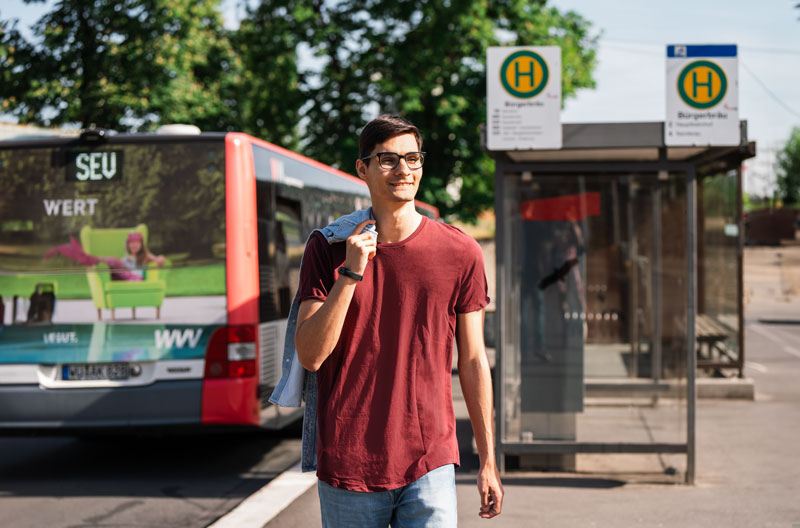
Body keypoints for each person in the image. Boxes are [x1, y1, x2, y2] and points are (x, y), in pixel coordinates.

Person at [293, 114, 503, 526]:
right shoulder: (328, 247)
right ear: (363, 168)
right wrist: (351, 273)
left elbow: (474, 360)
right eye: (387, 159)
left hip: (431, 460)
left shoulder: (460, 252)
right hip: (348, 464)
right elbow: (310, 355)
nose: (403, 170)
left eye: (412, 158)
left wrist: (489, 460)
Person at [44, 231, 165, 281]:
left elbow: (160, 260)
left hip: (134, 278)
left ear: (141, 245)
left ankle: (85, 258)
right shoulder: (126, 258)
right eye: (131, 244)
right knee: (111, 263)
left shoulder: (145, 255)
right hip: (122, 277)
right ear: (128, 246)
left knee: (113, 260)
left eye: (136, 243)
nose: (134, 246)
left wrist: (157, 259)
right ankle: (74, 253)